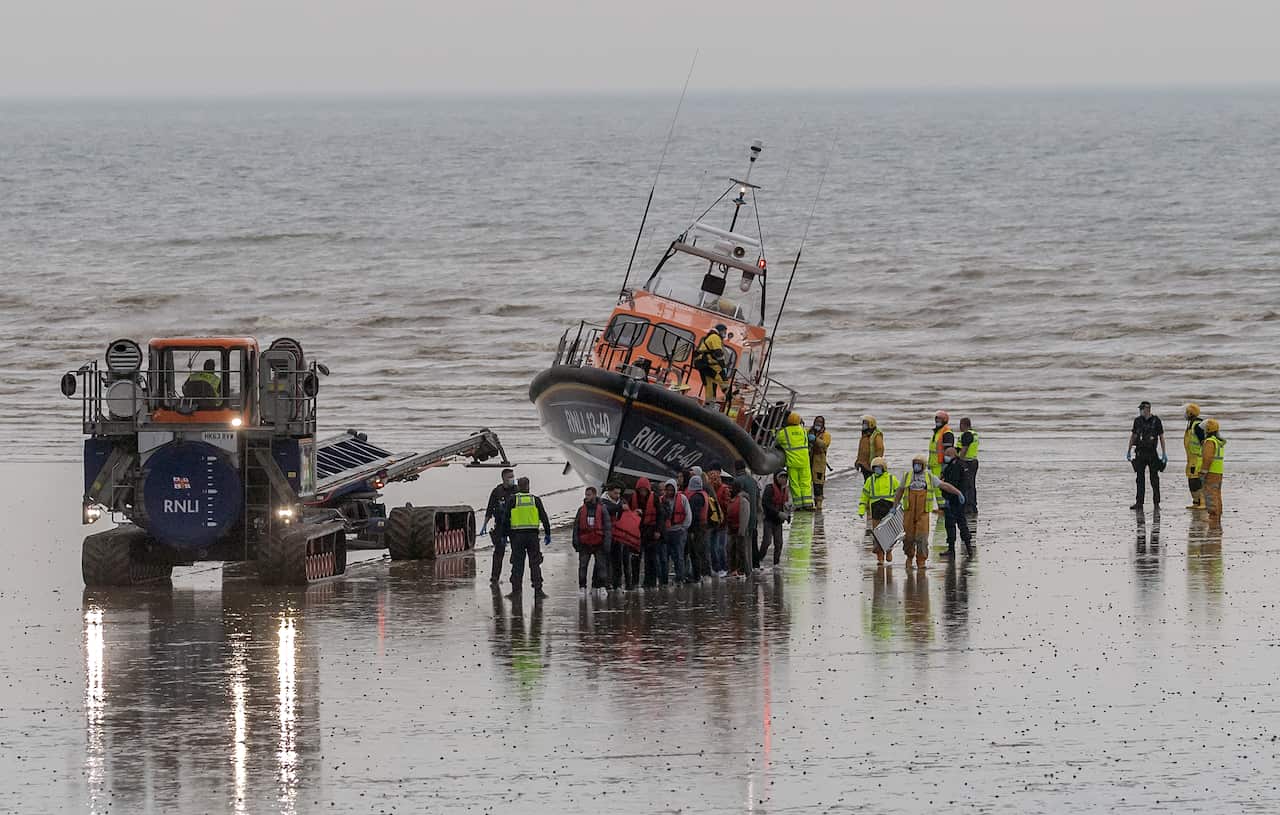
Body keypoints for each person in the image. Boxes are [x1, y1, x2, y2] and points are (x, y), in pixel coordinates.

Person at [893, 454, 963, 567]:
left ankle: (921, 561)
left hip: (923, 513)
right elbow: (899, 491)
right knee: (909, 537)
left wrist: (957, 492)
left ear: (923, 466)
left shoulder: (929, 477)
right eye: (915, 464)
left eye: (919, 464)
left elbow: (944, 485)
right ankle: (909, 557)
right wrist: (894, 506)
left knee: (922, 538)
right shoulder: (907, 476)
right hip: (909, 512)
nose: (917, 466)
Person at [506, 476, 551, 598]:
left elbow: (505, 519)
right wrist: (548, 533)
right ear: (528, 486)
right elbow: (544, 517)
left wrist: (504, 535)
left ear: (518, 487)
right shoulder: (535, 500)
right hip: (532, 536)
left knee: (517, 564)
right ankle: (538, 590)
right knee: (535, 563)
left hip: (517, 537)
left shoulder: (513, 500)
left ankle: (516, 591)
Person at [858, 456, 900, 563]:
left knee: (890, 532)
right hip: (876, 509)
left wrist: (900, 507)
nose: (877, 469)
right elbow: (864, 495)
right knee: (877, 534)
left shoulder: (892, 479)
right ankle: (880, 556)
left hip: (888, 509)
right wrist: (861, 509)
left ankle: (889, 550)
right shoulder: (870, 480)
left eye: (879, 467)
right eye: (875, 467)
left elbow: (900, 493)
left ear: (884, 467)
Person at [1127, 400, 1167, 510]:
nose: (1141, 411)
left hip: (1152, 453)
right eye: (1140, 409)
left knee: (1154, 478)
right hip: (1140, 453)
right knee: (1139, 479)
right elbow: (1134, 436)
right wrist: (1129, 450)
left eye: (1142, 409)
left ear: (1147, 409)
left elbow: (1161, 437)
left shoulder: (1156, 421)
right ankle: (1139, 503)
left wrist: (1164, 453)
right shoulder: (1137, 421)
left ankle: (1156, 503)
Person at [480, 468, 518, 585]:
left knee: (516, 552)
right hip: (500, 525)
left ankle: (515, 577)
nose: (512, 479)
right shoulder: (497, 491)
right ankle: (494, 577)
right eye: (510, 477)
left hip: (514, 525)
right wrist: (484, 524)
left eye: (513, 476)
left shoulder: (517, 490)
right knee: (498, 552)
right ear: (504, 479)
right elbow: (490, 508)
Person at [572, 486, 612, 595]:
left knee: (601, 566)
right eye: (586, 495)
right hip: (584, 543)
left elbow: (607, 527)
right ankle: (582, 587)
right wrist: (575, 542)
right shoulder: (581, 510)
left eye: (589, 495)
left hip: (598, 543)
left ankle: (602, 587)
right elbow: (576, 527)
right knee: (583, 566)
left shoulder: (602, 509)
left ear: (594, 495)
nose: (587, 497)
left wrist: (607, 543)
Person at [939, 446, 974, 558]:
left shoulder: (954, 466)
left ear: (952, 455)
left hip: (954, 499)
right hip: (960, 498)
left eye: (947, 455)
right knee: (962, 523)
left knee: (951, 524)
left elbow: (951, 484)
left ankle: (952, 549)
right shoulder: (962, 464)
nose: (945, 457)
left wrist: (946, 495)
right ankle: (968, 548)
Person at [775, 412, 814, 510]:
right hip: (804, 461)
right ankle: (808, 504)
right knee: (805, 482)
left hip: (792, 462)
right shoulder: (803, 431)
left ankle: (798, 505)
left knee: (794, 483)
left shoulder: (784, 432)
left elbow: (777, 442)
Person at [630, 477, 663, 588]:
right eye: (640, 490)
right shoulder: (632, 498)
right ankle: (635, 582)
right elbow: (628, 514)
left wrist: (658, 530)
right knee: (635, 559)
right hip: (637, 532)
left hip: (651, 531)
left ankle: (651, 583)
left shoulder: (655, 499)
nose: (642, 492)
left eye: (644, 490)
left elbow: (660, 516)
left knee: (651, 559)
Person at [659, 480, 691, 585]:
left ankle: (680, 578)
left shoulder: (682, 499)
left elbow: (688, 514)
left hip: (678, 531)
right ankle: (663, 580)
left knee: (679, 556)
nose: (669, 492)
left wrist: (683, 528)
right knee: (664, 557)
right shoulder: (661, 500)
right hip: (665, 532)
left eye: (671, 490)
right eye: (667, 490)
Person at [758, 470, 790, 568]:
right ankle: (758, 560)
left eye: (785, 477)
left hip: (778, 522)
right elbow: (765, 504)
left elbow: (786, 505)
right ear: (776, 478)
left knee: (779, 543)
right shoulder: (769, 488)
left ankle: (776, 564)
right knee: (767, 542)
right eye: (781, 477)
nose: (783, 479)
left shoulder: (785, 490)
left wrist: (787, 516)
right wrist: (778, 513)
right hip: (769, 520)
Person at [704, 463, 731, 577]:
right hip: (712, 523)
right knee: (713, 548)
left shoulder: (724, 489)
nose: (713, 480)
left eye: (715, 478)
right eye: (711, 478)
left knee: (720, 547)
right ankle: (717, 568)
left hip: (721, 523)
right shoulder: (708, 490)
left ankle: (723, 567)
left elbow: (727, 506)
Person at [732, 460, 761, 566]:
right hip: (753, 517)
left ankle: (745, 568)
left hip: (742, 518)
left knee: (742, 545)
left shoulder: (737, 481)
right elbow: (758, 499)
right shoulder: (753, 481)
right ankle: (754, 566)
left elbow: (734, 500)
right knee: (751, 544)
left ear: (735, 469)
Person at [693, 323, 729, 402]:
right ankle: (729, 395)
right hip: (707, 362)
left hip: (703, 363)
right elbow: (718, 352)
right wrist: (723, 366)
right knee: (722, 377)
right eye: (724, 332)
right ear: (720, 331)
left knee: (710, 383)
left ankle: (709, 402)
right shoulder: (715, 337)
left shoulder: (711, 336)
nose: (725, 334)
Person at [683, 475, 710, 582]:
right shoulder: (703, 495)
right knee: (700, 551)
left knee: (695, 552)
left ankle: (696, 576)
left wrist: (691, 530)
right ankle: (700, 574)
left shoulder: (696, 498)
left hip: (696, 528)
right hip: (702, 526)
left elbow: (694, 515)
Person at [1200, 418, 1225, 525]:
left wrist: (1203, 472)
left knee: (1210, 495)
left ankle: (1213, 517)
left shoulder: (1210, 442)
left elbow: (1207, 458)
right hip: (1218, 472)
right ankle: (1217, 515)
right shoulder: (1218, 441)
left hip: (1211, 473)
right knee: (1217, 494)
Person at [601, 482, 626, 590]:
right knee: (606, 560)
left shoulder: (620, 501)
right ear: (609, 492)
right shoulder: (602, 502)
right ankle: (607, 583)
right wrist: (620, 507)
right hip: (607, 535)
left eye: (619, 493)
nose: (617, 496)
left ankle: (618, 583)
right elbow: (608, 509)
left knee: (617, 560)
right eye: (615, 493)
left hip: (618, 534)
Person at [725, 481, 752, 577]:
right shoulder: (734, 500)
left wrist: (742, 531)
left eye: (732, 488)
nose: (730, 490)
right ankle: (734, 570)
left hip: (740, 531)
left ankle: (745, 572)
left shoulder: (743, 501)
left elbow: (744, 516)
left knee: (741, 552)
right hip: (733, 530)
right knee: (732, 550)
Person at [928, 410, 954, 511]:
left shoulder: (946, 432)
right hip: (934, 465)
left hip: (941, 465)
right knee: (936, 488)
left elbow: (949, 451)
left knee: (941, 487)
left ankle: (945, 508)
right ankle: (941, 508)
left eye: (940, 419)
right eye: (936, 419)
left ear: (945, 420)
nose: (937, 421)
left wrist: (946, 466)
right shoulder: (937, 432)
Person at [1183, 403, 1206, 510]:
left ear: (1191, 413)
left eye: (1187, 412)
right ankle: (1196, 502)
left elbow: (1204, 442)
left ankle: (1202, 502)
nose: (1185, 414)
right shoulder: (1190, 425)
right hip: (1191, 458)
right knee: (1191, 480)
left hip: (1197, 458)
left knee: (1197, 480)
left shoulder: (1197, 426)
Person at [958, 417, 980, 516]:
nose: (959, 427)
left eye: (960, 425)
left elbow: (964, 449)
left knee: (967, 485)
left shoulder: (967, 435)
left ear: (963, 425)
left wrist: (958, 461)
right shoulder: (975, 434)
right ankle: (973, 506)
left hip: (967, 462)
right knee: (971, 485)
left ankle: (968, 507)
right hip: (974, 461)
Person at [809, 416, 832, 511]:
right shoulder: (809, 431)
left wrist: (815, 440)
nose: (818, 424)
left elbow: (824, 445)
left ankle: (819, 503)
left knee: (818, 483)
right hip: (809, 458)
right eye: (816, 421)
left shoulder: (826, 435)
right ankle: (809, 502)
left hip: (819, 460)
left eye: (820, 422)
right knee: (807, 481)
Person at [855, 415, 884, 479]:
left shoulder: (876, 436)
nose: (863, 425)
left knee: (872, 482)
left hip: (870, 465)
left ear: (871, 424)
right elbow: (861, 451)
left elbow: (880, 449)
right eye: (863, 423)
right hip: (864, 465)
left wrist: (876, 463)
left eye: (865, 424)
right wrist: (858, 461)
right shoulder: (865, 435)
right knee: (867, 482)